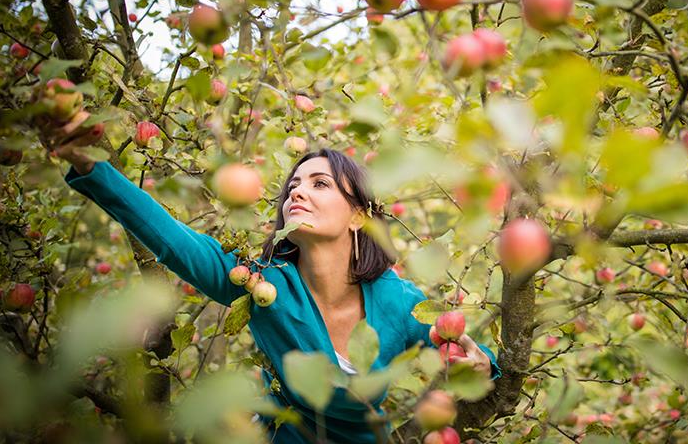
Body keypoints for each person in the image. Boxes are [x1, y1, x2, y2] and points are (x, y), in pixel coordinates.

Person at [40, 122, 501, 443]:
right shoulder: (263, 286)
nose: (297, 191)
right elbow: (175, 243)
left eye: (320, 184)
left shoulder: (397, 300)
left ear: (359, 214)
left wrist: (481, 362)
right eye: (293, 186)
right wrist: (89, 165)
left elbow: (460, 347)